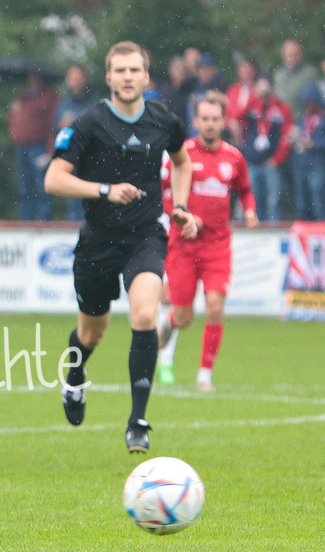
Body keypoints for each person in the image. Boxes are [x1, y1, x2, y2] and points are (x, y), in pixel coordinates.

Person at [44, 41, 196, 454]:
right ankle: (75, 379)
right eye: (120, 70)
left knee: (146, 314)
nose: (128, 77)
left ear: (146, 77)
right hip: (98, 240)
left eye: (135, 70)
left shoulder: (164, 120)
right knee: (92, 332)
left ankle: (138, 422)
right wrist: (104, 190)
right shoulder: (88, 123)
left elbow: (183, 162)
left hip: (146, 235)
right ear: (108, 77)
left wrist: (180, 206)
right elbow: (53, 179)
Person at [156, 92, 257, 391]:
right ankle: (170, 324)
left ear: (223, 122)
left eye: (215, 119)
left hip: (217, 245)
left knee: (215, 306)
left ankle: (204, 376)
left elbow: (246, 190)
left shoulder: (234, 157)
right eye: (205, 119)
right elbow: (164, 195)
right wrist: (184, 218)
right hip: (183, 246)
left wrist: (250, 211)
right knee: (184, 316)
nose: (210, 124)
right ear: (195, 120)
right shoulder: (180, 153)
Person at [240, 72, 292, 222]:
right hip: (253, 162)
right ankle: (256, 231)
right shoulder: (253, 104)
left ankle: (274, 232)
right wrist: (253, 95)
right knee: (253, 200)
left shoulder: (281, 107)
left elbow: (286, 136)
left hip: (271, 162)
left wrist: (277, 159)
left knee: (273, 201)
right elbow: (237, 116)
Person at [9, 71, 58, 221]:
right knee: (24, 187)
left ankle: (44, 220)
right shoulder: (24, 98)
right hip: (21, 147)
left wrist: (50, 151)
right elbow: (14, 119)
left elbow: (53, 126)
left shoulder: (49, 97)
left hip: (39, 146)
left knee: (43, 186)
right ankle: (26, 220)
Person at [53, 65, 97, 220]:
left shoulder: (95, 103)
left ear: (85, 80)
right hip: (69, 159)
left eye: (78, 78)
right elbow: (54, 130)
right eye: (72, 79)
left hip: (90, 159)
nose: (75, 82)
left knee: (89, 201)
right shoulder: (63, 104)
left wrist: (76, 124)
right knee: (72, 202)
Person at [291, 83, 325, 220]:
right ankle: (305, 225)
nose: (307, 105)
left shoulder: (323, 117)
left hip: (318, 163)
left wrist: (315, 144)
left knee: (318, 197)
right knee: (302, 199)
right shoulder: (303, 118)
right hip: (302, 163)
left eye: (309, 102)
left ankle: (322, 225)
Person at [273, 39, 319, 114]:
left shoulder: (310, 73)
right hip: (282, 121)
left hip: (303, 121)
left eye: (296, 53)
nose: (293, 56)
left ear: (301, 54)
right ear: (283, 54)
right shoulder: (278, 75)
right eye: (290, 53)